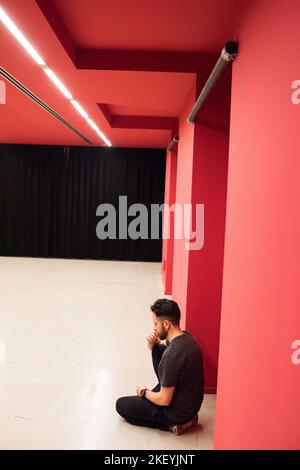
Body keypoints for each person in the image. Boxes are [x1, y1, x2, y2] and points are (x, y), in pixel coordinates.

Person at [116, 298, 205, 435]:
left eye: (155, 324)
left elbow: (164, 400)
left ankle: (176, 425)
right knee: (158, 348)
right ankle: (183, 418)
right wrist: (153, 345)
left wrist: (144, 393)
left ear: (166, 324)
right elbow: (167, 355)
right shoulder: (188, 338)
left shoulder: (171, 356)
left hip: (177, 412)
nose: (154, 328)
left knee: (121, 406)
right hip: (192, 406)